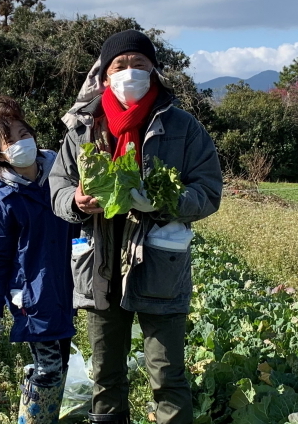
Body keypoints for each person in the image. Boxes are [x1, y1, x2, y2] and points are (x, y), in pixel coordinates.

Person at [49, 30, 223, 424]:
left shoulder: (182, 126)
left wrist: (164, 201)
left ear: (154, 71)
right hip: (101, 265)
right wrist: (76, 202)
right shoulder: (84, 126)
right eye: (120, 66)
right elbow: (57, 185)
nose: (130, 73)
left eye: (138, 65)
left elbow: (209, 191)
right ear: (104, 75)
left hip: (158, 264)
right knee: (106, 376)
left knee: (167, 374)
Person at [0, 96, 75, 424]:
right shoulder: (2, 200)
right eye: (10, 140)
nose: (22, 142)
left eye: (24, 133)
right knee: (49, 369)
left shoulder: (60, 175)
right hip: (33, 295)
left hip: (67, 286)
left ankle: (40, 416)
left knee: (57, 363)